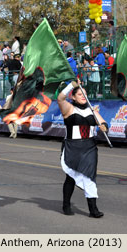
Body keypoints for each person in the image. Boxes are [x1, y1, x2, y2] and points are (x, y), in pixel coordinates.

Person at [58, 80, 107, 218]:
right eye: (80, 94)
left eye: (85, 94)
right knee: (71, 178)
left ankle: (93, 209)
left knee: (90, 177)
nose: (83, 96)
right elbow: (60, 98)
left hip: (89, 147)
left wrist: (104, 126)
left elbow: (102, 121)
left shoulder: (92, 110)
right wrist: (71, 86)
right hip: (73, 147)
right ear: (73, 96)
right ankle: (66, 205)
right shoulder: (68, 108)